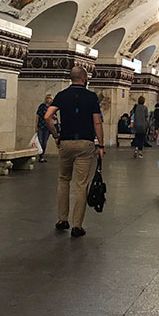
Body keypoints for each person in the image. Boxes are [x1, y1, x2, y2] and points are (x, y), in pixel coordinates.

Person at [43, 66, 105, 238]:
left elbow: (47, 116)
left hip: (66, 142)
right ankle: (77, 225)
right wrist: (101, 145)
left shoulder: (62, 95)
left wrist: (55, 135)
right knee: (81, 185)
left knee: (63, 180)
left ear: (71, 78)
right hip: (85, 143)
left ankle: (62, 220)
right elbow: (97, 122)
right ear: (84, 78)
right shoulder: (91, 97)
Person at [35, 94, 53, 163]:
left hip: (47, 127)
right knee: (40, 141)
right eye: (47, 98)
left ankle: (42, 155)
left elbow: (53, 117)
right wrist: (36, 126)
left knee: (44, 142)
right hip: (41, 126)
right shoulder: (42, 106)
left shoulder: (52, 107)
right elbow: (37, 116)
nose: (48, 100)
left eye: (50, 99)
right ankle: (40, 156)